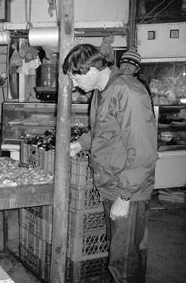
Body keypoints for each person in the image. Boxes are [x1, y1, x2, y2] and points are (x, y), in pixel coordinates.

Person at [63, 44, 157, 283]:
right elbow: (102, 131)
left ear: (93, 69)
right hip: (110, 185)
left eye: (76, 77)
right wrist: (81, 144)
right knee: (117, 253)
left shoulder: (128, 91)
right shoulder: (100, 91)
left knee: (123, 263)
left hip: (127, 190)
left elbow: (144, 150)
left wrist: (124, 197)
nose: (74, 84)